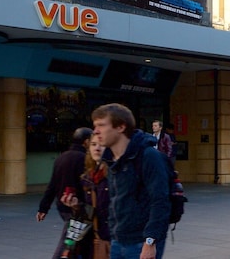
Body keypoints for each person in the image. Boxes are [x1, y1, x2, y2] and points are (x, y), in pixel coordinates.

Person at [91, 103, 170, 259]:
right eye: (95, 126)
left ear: (121, 127)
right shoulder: (110, 159)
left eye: (101, 125)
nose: (95, 131)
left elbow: (160, 201)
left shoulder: (148, 156)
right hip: (118, 241)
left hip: (141, 243)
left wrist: (150, 242)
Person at [37, 127, 94, 259]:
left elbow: (52, 185)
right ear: (86, 142)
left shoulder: (61, 157)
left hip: (63, 205)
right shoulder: (83, 159)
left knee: (76, 237)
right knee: (70, 239)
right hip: (78, 207)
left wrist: (43, 208)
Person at [60, 133, 112, 258]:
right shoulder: (88, 177)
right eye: (93, 144)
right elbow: (88, 213)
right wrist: (76, 205)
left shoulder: (114, 175)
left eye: (101, 145)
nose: (97, 148)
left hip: (111, 240)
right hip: (93, 240)